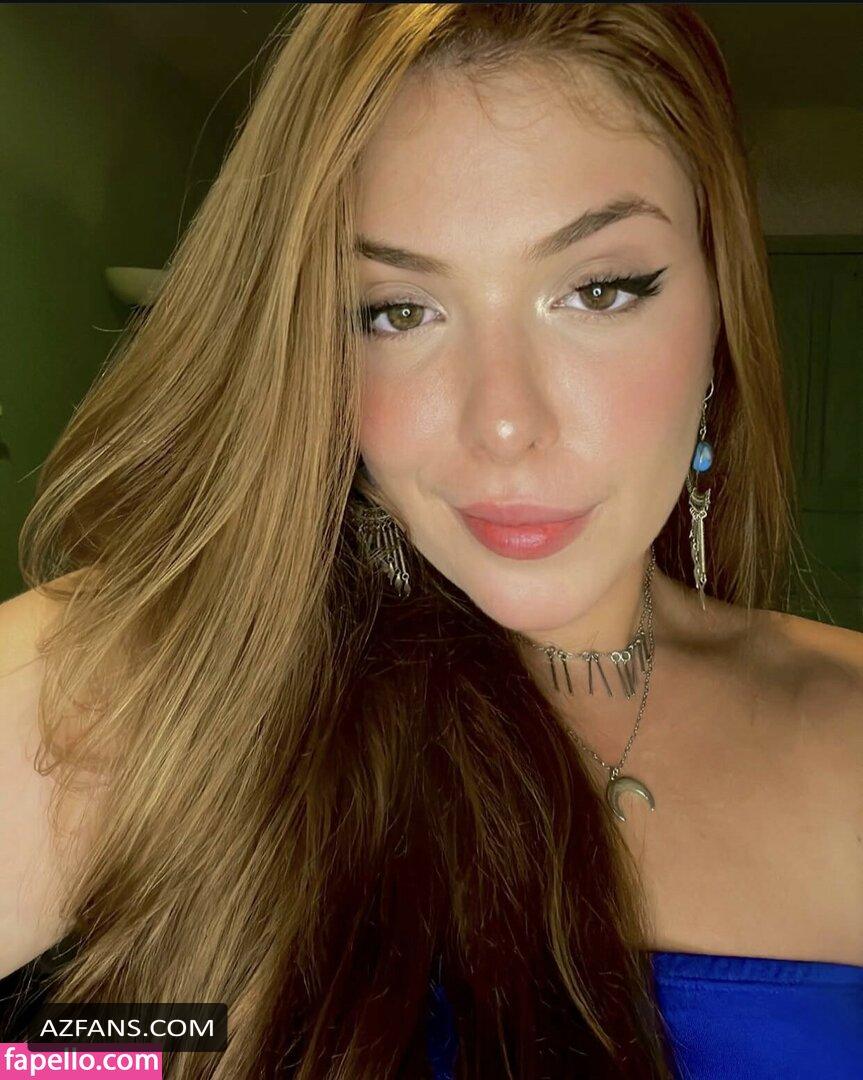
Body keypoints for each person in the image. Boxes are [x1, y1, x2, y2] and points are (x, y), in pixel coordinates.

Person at [1, 4, 861, 1078]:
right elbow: (61, 1051)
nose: (501, 422)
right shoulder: (164, 682)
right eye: (395, 311)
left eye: (597, 290)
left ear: (718, 308)